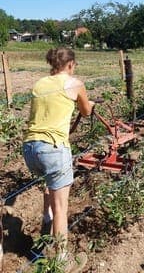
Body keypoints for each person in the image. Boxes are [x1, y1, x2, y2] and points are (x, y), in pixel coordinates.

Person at [23, 47, 94, 272]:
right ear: (71, 64)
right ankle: (62, 259)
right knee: (62, 207)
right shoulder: (74, 84)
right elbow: (86, 111)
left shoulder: (39, 84)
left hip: (31, 149)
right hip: (54, 148)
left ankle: (46, 220)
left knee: (50, 181)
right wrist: (89, 105)